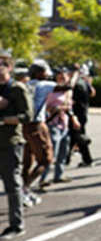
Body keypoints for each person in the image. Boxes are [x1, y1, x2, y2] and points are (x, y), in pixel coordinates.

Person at [0, 50, 33, 239]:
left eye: (1, 65)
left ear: (9, 68)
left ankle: (16, 225)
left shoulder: (16, 88)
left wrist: (5, 119)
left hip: (10, 143)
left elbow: (27, 116)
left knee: (12, 186)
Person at [22, 61, 55, 203]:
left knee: (27, 161)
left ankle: (25, 193)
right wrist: (77, 74)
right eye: (45, 72)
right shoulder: (42, 84)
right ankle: (24, 188)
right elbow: (67, 87)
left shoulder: (26, 84)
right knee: (45, 159)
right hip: (37, 125)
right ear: (38, 73)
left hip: (24, 126)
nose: (47, 74)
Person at [41, 68, 75, 185]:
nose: (63, 78)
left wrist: (73, 118)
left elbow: (70, 108)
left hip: (64, 124)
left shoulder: (68, 92)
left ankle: (58, 175)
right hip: (53, 124)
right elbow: (46, 107)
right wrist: (59, 108)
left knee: (63, 152)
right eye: (60, 76)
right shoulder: (52, 90)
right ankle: (43, 178)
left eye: (65, 76)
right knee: (51, 153)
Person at [66, 64, 95, 167]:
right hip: (83, 113)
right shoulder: (84, 82)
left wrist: (74, 78)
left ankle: (87, 160)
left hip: (76, 114)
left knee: (77, 136)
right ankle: (67, 158)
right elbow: (92, 93)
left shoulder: (76, 83)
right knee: (74, 136)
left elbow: (69, 89)